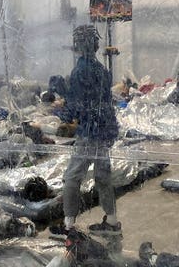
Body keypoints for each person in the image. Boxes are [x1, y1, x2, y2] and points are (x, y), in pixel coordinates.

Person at [51, 25, 120, 238]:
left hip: (90, 132)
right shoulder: (102, 69)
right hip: (105, 131)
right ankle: (112, 222)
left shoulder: (80, 70)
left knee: (71, 177)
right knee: (103, 177)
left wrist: (62, 103)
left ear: (78, 45)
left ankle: (69, 226)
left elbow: (76, 109)